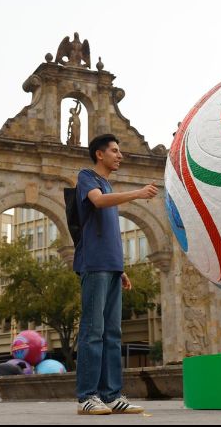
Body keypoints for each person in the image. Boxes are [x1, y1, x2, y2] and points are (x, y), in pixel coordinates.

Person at [74, 134, 159, 415]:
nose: (119, 155)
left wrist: (120, 269)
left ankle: (111, 395)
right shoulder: (88, 177)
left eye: (119, 151)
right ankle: (87, 396)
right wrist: (136, 193)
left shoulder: (108, 184)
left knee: (113, 333)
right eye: (114, 151)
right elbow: (98, 203)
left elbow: (110, 231)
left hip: (110, 266)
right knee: (93, 331)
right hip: (94, 265)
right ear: (100, 154)